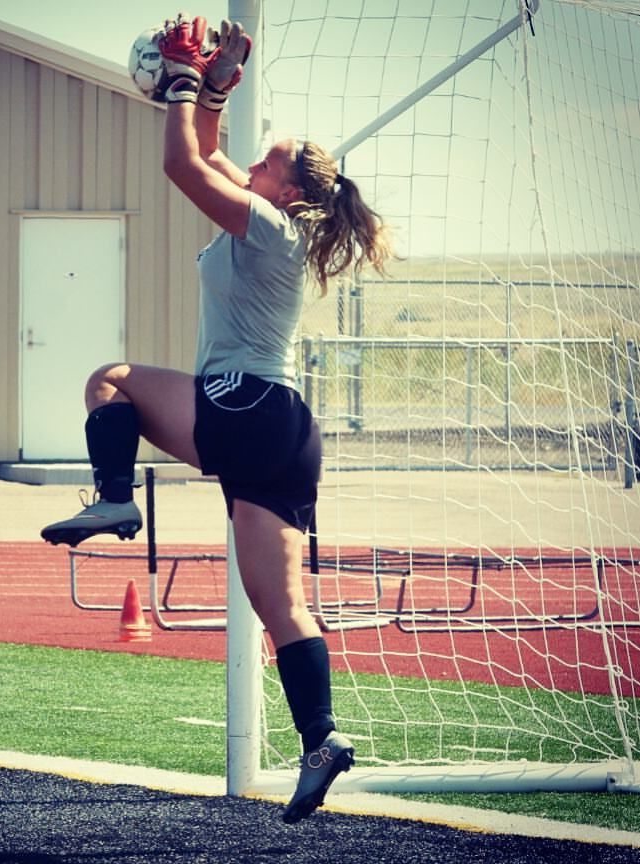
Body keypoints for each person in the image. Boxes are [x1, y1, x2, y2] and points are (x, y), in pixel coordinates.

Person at [41, 14, 391, 823]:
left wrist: (183, 79)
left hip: (244, 405)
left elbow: (180, 162)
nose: (250, 162)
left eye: (263, 160)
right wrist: (219, 80)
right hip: (286, 433)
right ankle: (321, 737)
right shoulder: (275, 219)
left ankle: (115, 497)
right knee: (281, 605)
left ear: (289, 191)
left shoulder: (266, 225)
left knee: (112, 379)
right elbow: (208, 152)